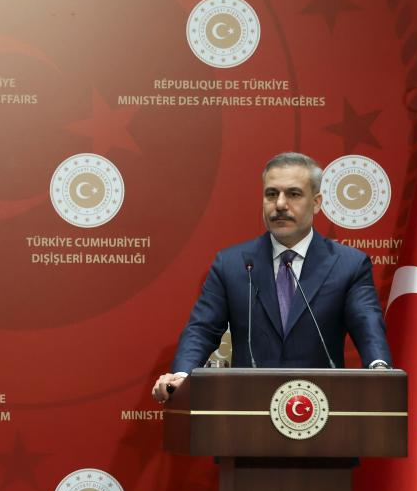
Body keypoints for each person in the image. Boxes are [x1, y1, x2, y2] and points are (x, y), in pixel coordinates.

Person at [152, 152, 391, 402]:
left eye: (294, 194)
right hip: (248, 409)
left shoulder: (349, 265)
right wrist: (182, 375)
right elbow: (202, 329)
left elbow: (367, 324)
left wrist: (379, 368)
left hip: (321, 407)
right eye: (271, 194)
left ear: (317, 202)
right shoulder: (231, 264)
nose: (280, 204)